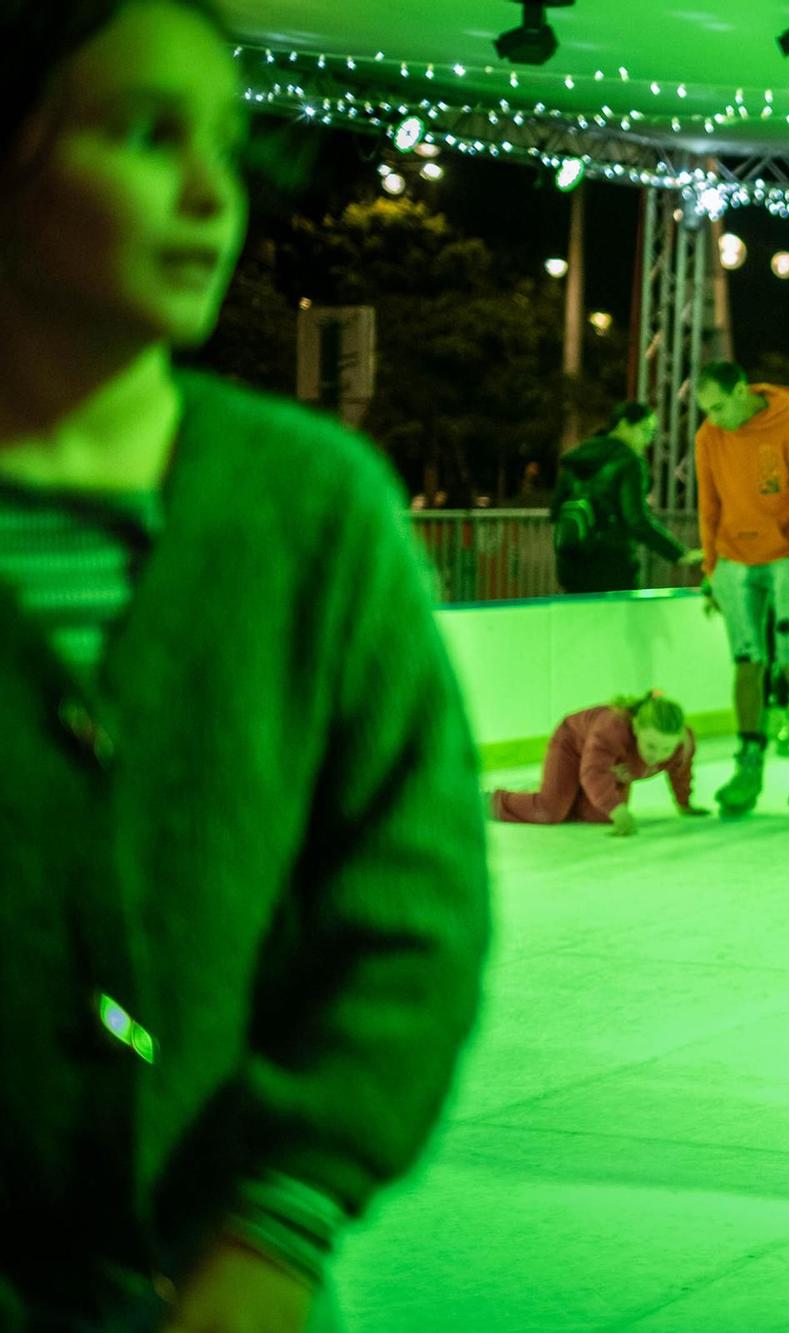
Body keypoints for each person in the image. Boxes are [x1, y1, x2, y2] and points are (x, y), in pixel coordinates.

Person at [0, 3, 490, 1329]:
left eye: (225, 139)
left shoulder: (310, 510)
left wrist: (276, 1226)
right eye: (148, 135)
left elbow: (413, 902)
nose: (214, 194)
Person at [692, 360, 789, 818]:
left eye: (718, 407)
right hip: (734, 563)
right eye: (706, 410)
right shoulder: (708, 438)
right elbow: (709, 506)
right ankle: (748, 766)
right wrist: (712, 570)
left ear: (741, 391)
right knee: (746, 662)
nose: (714, 419)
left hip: (788, 560)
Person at [489, 691, 708, 832]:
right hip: (572, 746)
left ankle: (562, 793)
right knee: (550, 811)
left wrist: (684, 804)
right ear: (635, 728)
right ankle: (490, 800)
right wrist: (618, 810)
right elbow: (593, 772)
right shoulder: (611, 730)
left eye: (666, 749)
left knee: (601, 816)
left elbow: (680, 773)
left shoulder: (683, 744)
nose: (657, 756)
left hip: (609, 768)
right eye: (650, 746)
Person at [550, 401, 692, 594]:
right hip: (613, 567)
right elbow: (636, 520)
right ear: (624, 425)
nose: (648, 440)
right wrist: (678, 554)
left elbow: (555, 510)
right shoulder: (629, 462)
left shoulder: (577, 458)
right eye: (645, 430)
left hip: (571, 567)